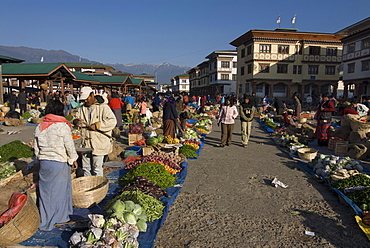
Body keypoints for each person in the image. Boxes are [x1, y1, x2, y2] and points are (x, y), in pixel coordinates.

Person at [33, 100, 78, 231]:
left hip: (45, 164)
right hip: (59, 163)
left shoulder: (40, 126)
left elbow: (37, 149)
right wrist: (73, 159)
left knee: (46, 193)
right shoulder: (62, 126)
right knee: (59, 192)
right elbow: (69, 146)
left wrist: (40, 159)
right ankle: (60, 218)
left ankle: (46, 219)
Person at [73, 87, 117, 176]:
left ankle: (98, 186)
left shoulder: (104, 107)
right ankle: (88, 185)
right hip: (86, 142)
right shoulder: (82, 108)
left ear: (92, 95)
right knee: (86, 168)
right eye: (83, 99)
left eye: (87, 98)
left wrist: (98, 125)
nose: (85, 101)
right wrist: (75, 121)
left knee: (97, 167)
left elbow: (112, 121)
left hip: (99, 142)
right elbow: (76, 118)